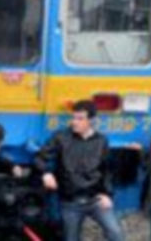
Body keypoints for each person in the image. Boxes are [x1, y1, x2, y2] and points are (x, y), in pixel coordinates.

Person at [35, 101, 125, 241]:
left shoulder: (101, 141)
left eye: (80, 118)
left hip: (95, 200)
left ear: (91, 121)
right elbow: (40, 158)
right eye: (73, 117)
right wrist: (45, 173)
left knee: (116, 233)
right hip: (70, 203)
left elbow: (107, 170)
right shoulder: (61, 137)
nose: (74, 122)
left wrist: (107, 194)